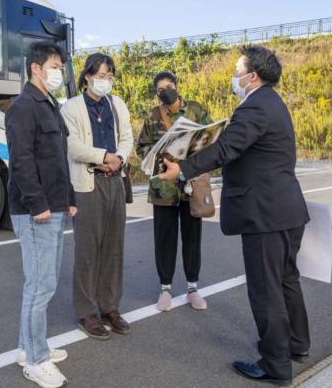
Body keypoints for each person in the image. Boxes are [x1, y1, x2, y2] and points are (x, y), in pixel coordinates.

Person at [158, 46, 310, 386]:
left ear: (252, 76)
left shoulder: (254, 106)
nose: (234, 75)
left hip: (264, 214)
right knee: (286, 280)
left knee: (266, 289)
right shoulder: (273, 102)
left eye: (237, 69)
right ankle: (296, 344)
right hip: (285, 209)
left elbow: (227, 149)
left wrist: (183, 169)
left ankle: (275, 364)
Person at [5, 41, 77, 388]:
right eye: (54, 66)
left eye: (60, 67)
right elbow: (21, 161)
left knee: (43, 283)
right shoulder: (23, 107)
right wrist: (39, 205)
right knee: (40, 286)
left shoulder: (50, 105)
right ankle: (36, 360)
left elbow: (57, 160)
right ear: (36, 68)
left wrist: (69, 198)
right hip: (37, 211)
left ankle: (28, 346)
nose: (58, 72)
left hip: (55, 206)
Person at [60, 53, 134, 340]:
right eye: (101, 75)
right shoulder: (72, 108)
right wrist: (102, 156)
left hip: (115, 180)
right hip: (87, 184)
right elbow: (72, 146)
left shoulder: (117, 105)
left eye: (110, 76)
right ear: (88, 76)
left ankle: (110, 307)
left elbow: (126, 137)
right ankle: (86, 312)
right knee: (88, 250)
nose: (106, 81)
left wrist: (120, 159)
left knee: (114, 248)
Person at [136, 71, 212, 312]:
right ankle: (165, 288)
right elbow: (142, 148)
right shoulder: (151, 117)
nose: (165, 91)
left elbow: (211, 139)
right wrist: (160, 157)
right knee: (164, 239)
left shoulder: (196, 110)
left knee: (192, 238)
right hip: (164, 187)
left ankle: (192, 288)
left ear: (177, 87)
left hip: (190, 185)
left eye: (169, 86)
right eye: (160, 89)